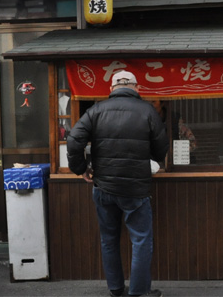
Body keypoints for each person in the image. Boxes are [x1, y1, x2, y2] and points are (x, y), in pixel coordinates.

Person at [67, 70, 168, 297]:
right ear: (136, 87)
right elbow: (162, 148)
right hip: (135, 189)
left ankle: (115, 288)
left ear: (111, 89)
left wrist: (81, 169)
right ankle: (139, 292)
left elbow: (74, 140)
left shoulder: (95, 111)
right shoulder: (148, 111)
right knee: (141, 241)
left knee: (109, 239)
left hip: (103, 186)